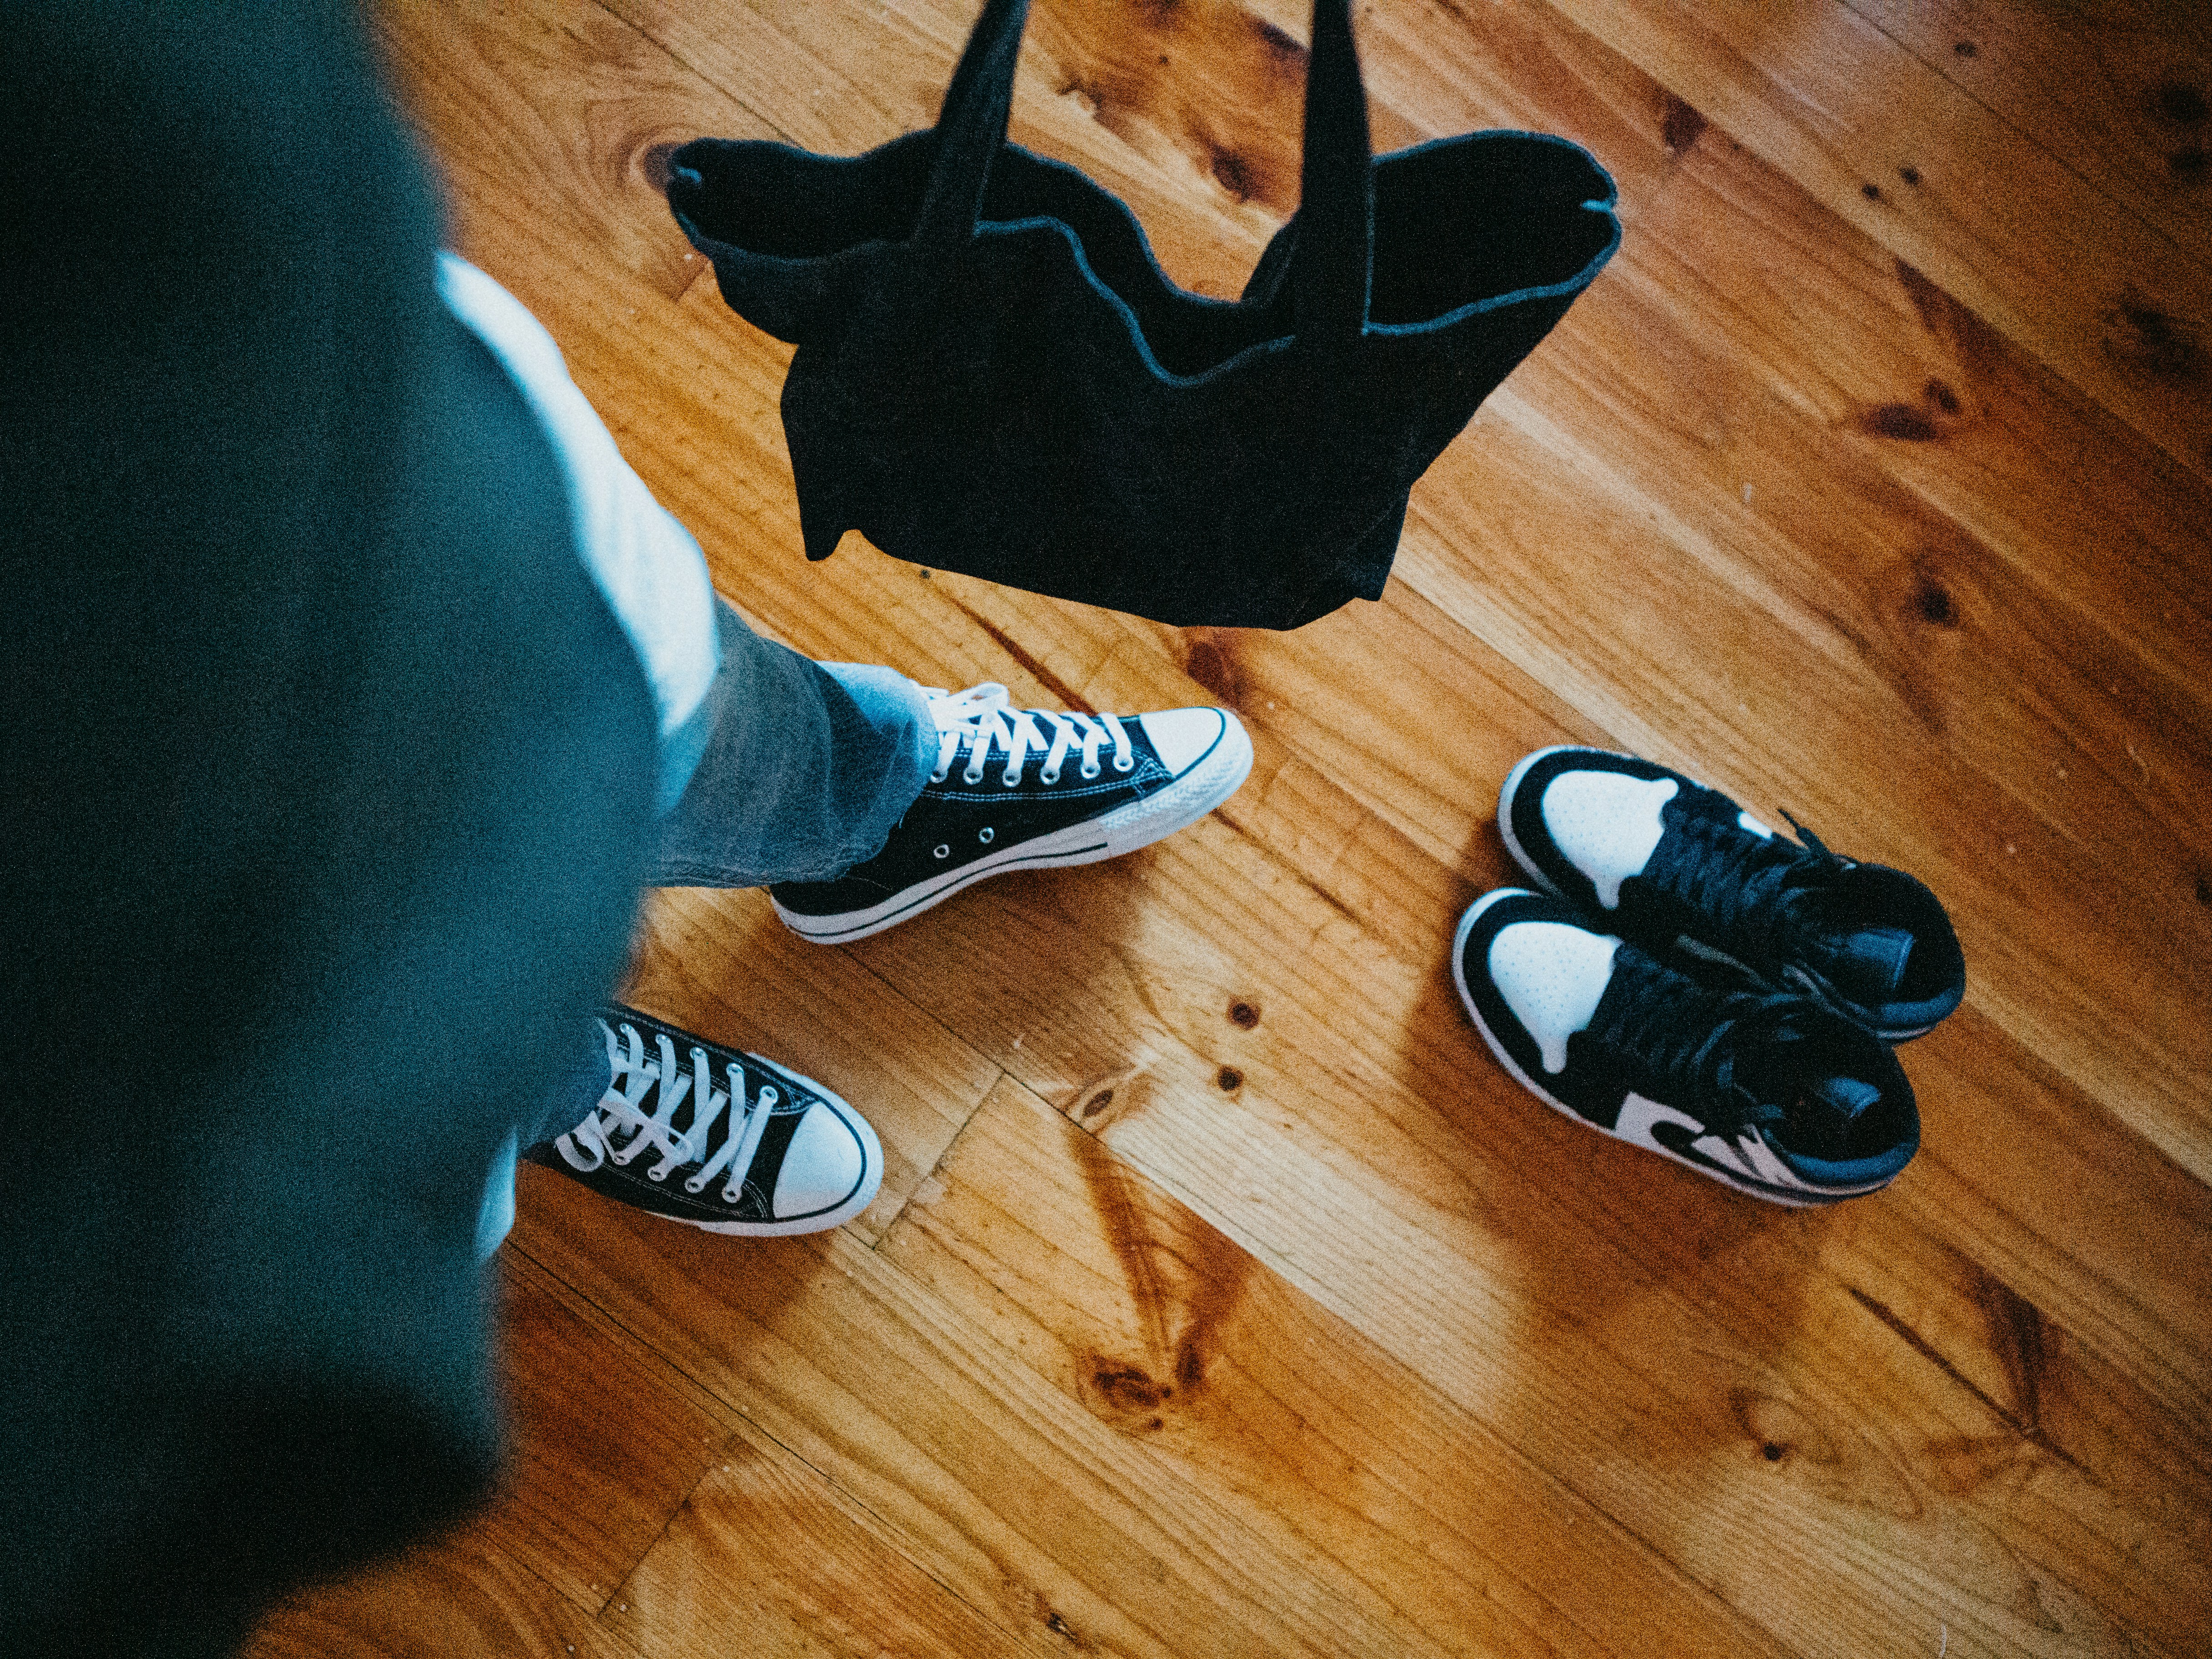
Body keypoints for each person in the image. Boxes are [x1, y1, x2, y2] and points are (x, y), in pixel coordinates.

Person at [0, 5, 1244, 1654]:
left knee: (626, 669)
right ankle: (536, 1074)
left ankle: (859, 803)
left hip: (267, 419)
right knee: (324, 1061)